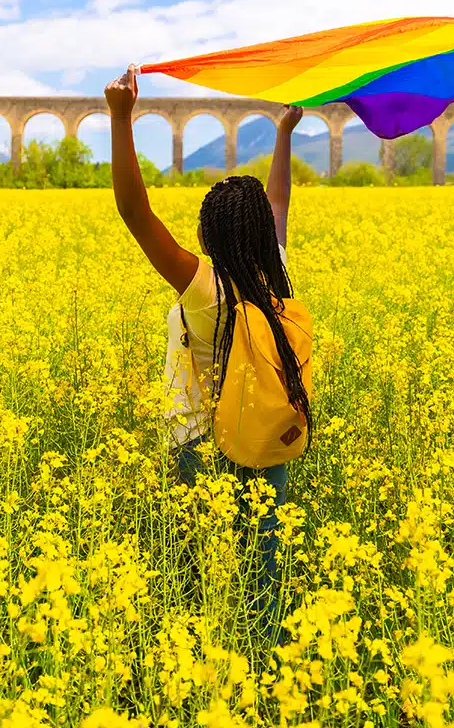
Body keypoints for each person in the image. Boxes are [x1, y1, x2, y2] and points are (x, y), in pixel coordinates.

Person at [105, 63, 311, 640]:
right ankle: (266, 659)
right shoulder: (276, 275)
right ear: (260, 235)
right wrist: (284, 133)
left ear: (210, 235)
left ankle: (213, 657)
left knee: (207, 567)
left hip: (201, 439)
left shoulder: (202, 285)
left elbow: (134, 213)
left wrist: (121, 119)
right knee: (264, 557)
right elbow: (278, 205)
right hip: (268, 428)